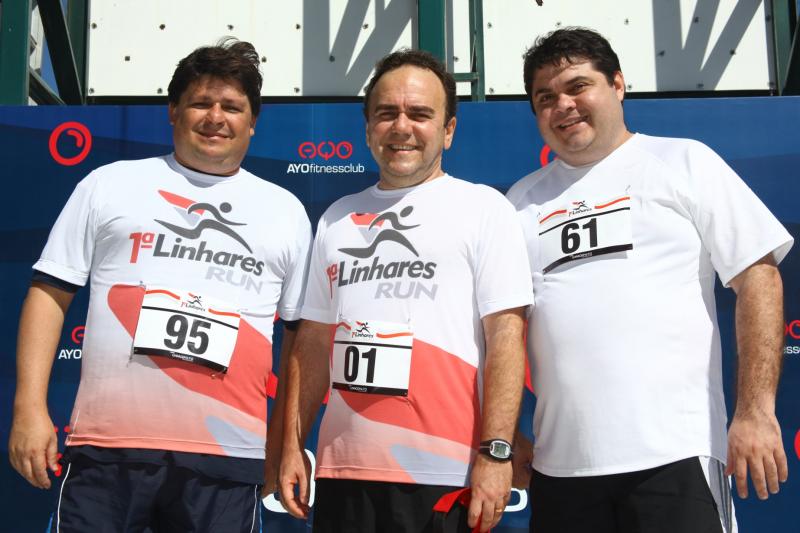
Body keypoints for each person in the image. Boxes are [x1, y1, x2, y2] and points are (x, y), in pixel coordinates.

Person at [8, 39, 311, 532]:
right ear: (173, 111)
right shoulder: (108, 184)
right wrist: (28, 409)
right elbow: (49, 294)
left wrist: (284, 444)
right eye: (200, 103)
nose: (215, 117)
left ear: (253, 121)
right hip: (108, 450)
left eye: (232, 107)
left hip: (226, 459)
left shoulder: (286, 211)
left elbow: (300, 341)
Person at [507, 27, 793, 533]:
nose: (563, 105)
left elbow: (758, 277)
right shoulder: (519, 202)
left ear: (618, 84)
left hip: (676, 457)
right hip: (560, 471)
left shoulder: (684, 161)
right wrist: (507, 435)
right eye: (545, 98)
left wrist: (755, 411)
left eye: (578, 86)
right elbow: (501, 329)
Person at [278, 49, 533, 533]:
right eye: (386, 113)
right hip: (343, 472)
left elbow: (505, 336)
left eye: (419, 113)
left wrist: (497, 451)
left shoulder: (484, 209)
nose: (401, 127)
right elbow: (311, 344)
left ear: (448, 130)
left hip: (445, 473)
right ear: (367, 128)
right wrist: (293, 445)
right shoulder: (336, 218)